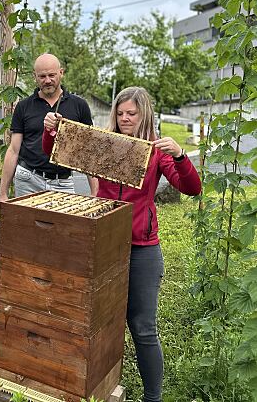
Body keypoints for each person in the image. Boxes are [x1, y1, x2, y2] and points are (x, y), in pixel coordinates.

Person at [43, 86, 201, 402]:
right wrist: (50, 131)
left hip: (142, 248)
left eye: (132, 113)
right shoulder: (104, 143)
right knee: (94, 322)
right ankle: (91, 387)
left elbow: (191, 188)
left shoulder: (156, 152)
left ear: (144, 115)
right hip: (101, 244)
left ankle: (152, 397)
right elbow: (60, 152)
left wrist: (180, 156)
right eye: (121, 113)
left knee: (143, 328)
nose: (125, 118)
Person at [0, 53, 98, 204]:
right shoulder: (24, 106)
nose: (47, 81)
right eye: (42, 76)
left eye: (52, 75)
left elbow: (88, 152)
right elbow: (13, 149)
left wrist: (95, 193)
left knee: (63, 227)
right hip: (28, 179)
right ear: (35, 76)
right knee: (26, 226)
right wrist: (2, 194)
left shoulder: (79, 106)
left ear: (61, 73)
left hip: (63, 182)